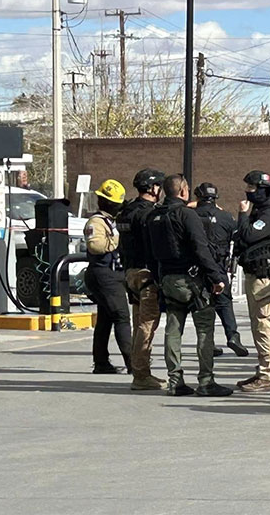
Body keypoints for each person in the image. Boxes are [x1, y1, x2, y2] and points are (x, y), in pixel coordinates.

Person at [147, 174, 232, 397]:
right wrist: (216, 277)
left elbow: (150, 252)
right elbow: (200, 248)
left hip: (167, 278)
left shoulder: (154, 216)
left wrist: (158, 278)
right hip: (192, 280)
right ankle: (206, 381)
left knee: (173, 330)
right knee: (204, 329)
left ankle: (175, 380)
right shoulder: (186, 215)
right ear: (183, 191)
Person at [233, 170, 270, 392]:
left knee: (263, 323)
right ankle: (262, 369)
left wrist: (242, 215)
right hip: (254, 272)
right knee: (257, 324)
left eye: (252, 188)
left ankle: (267, 374)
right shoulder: (261, 211)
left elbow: (248, 235)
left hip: (263, 276)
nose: (248, 192)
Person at [117, 168, 166, 391]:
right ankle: (141, 374)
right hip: (147, 273)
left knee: (138, 323)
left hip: (130, 272)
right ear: (153, 188)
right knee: (146, 325)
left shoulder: (126, 211)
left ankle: (140, 371)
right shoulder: (148, 214)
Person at [193, 182, 249, 358]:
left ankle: (208, 343)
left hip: (196, 268)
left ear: (197, 197)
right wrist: (242, 214)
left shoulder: (190, 216)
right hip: (219, 267)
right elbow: (239, 235)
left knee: (203, 306)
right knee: (224, 303)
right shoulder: (225, 217)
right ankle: (233, 336)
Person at [84, 179, 132, 375]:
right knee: (121, 316)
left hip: (111, 274)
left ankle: (101, 362)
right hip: (103, 274)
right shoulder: (96, 222)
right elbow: (95, 246)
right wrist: (118, 240)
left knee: (105, 318)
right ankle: (133, 362)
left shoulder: (110, 221)